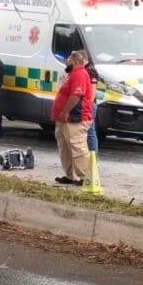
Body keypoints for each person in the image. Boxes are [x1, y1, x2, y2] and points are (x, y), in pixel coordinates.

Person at [52, 50, 93, 186]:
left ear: (75, 60)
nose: (66, 61)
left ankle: (83, 178)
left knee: (77, 147)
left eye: (69, 58)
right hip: (65, 119)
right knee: (65, 147)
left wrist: (65, 112)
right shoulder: (72, 74)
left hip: (75, 118)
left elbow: (76, 95)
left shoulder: (80, 73)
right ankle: (70, 175)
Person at [64, 50, 100, 155]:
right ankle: (90, 158)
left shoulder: (89, 70)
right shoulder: (81, 69)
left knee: (90, 132)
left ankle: (93, 158)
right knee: (88, 132)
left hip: (87, 106)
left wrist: (88, 107)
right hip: (85, 105)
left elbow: (92, 92)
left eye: (72, 58)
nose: (70, 60)